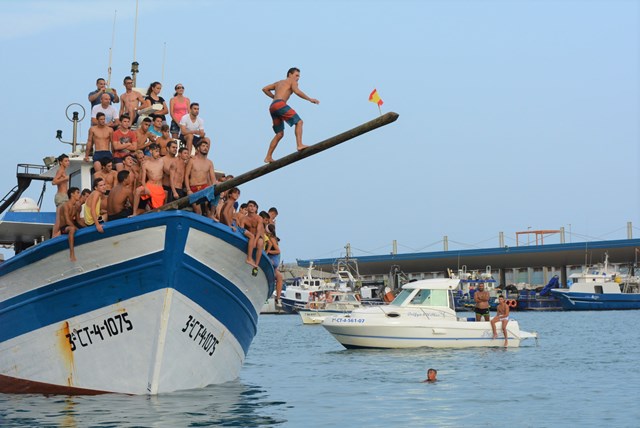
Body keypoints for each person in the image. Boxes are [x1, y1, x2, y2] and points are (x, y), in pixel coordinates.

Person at [262, 67, 319, 163]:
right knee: (299, 122)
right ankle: (299, 145)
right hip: (280, 105)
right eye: (296, 75)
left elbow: (264, 89)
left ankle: (268, 157)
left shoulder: (278, 83)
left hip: (272, 107)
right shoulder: (292, 82)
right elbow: (297, 91)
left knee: (279, 134)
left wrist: (274, 98)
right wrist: (310, 99)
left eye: (299, 76)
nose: (298, 78)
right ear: (290, 74)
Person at [185, 139, 217, 216]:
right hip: (193, 188)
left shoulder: (209, 163)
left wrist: (214, 186)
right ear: (198, 148)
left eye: (207, 146)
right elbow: (186, 176)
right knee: (198, 212)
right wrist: (188, 190)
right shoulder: (192, 160)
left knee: (217, 193)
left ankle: (211, 214)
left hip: (204, 187)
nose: (205, 148)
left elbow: (213, 179)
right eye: (203, 146)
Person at [132, 143, 165, 215]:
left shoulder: (162, 161)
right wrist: (145, 188)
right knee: (138, 191)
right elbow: (143, 180)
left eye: (158, 151)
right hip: (149, 185)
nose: (158, 153)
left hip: (158, 187)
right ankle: (134, 213)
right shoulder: (145, 164)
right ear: (150, 151)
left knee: (158, 212)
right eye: (156, 151)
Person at [237, 200, 264, 272]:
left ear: (256, 209)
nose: (252, 208)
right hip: (249, 235)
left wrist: (255, 241)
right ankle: (249, 258)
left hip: (257, 236)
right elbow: (241, 229)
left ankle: (256, 266)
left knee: (260, 243)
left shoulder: (259, 218)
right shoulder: (244, 218)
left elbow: (258, 231)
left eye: (254, 206)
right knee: (251, 237)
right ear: (247, 208)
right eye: (250, 206)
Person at [56, 187, 81, 261]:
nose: (79, 195)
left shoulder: (76, 207)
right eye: (77, 193)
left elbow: (78, 220)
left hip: (71, 225)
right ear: (72, 194)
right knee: (72, 229)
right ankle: (72, 253)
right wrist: (77, 229)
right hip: (64, 227)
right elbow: (67, 221)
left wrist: (86, 228)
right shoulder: (65, 205)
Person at [265, 223, 283, 305]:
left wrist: (267, 252)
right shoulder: (273, 237)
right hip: (275, 260)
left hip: (273, 259)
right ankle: (278, 298)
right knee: (279, 277)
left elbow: (278, 251)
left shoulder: (271, 238)